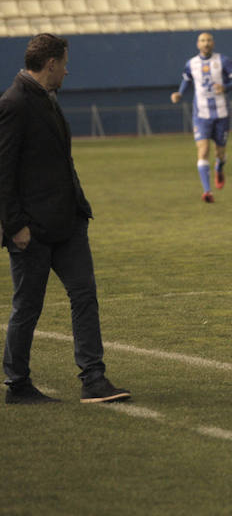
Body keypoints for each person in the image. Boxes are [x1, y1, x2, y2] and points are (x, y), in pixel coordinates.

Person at [0, 33, 130, 404]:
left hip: (68, 221)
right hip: (33, 229)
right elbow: (3, 170)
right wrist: (13, 225)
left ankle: (94, 378)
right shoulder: (14, 103)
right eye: (65, 63)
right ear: (51, 63)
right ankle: (18, 383)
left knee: (85, 296)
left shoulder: (46, 100)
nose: (68, 71)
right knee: (27, 306)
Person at [170, 32, 232, 202]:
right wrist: (179, 94)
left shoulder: (222, 60)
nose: (206, 43)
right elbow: (186, 80)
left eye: (208, 40)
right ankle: (207, 191)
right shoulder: (191, 63)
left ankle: (219, 167)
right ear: (197, 44)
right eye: (202, 40)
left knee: (220, 152)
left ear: (213, 43)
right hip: (201, 114)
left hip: (221, 113)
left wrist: (225, 87)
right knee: (203, 150)